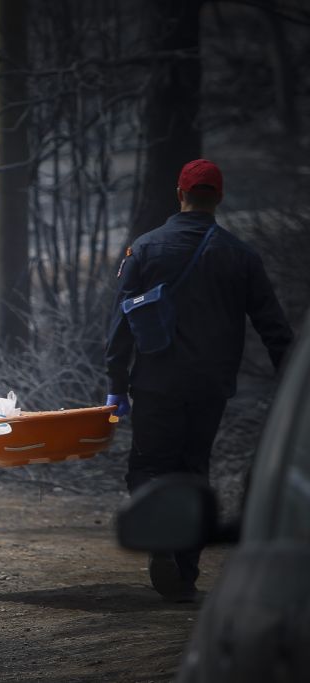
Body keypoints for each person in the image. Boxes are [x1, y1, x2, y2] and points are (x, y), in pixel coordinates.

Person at [105, 158, 292, 601]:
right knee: (194, 468)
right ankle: (185, 575)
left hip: (155, 383)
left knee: (149, 466)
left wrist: (116, 383)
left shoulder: (145, 248)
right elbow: (274, 328)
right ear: (219, 198)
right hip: (211, 387)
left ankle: (160, 541)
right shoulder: (241, 255)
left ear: (179, 194)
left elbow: (121, 323)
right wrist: (292, 392)